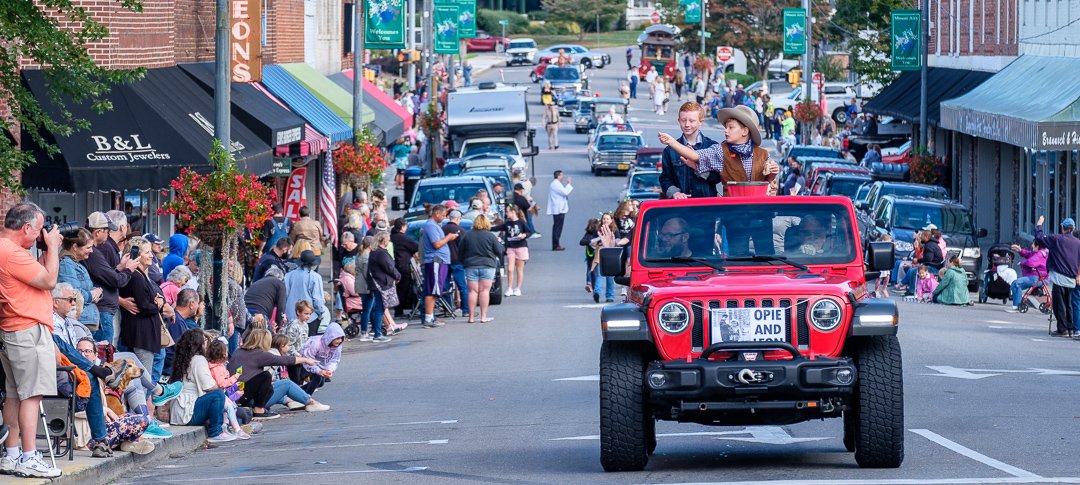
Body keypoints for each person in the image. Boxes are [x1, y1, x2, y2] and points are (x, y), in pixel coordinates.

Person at [658, 105, 780, 196]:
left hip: (760, 215)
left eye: (731, 127)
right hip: (733, 215)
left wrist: (773, 171)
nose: (725, 131)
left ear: (745, 131)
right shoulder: (720, 150)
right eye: (726, 127)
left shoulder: (763, 154)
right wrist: (672, 142)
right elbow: (694, 156)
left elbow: (769, 182)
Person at [231, 330, 327, 412]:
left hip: (237, 395)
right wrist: (305, 360)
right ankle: (311, 403)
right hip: (250, 400)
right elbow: (284, 360)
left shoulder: (238, 351)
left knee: (276, 382)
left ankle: (290, 401)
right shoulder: (259, 354)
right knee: (286, 384)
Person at [168, 329, 235, 442]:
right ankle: (215, 432)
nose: (206, 343)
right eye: (204, 340)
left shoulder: (184, 360)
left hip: (180, 412)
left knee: (241, 411)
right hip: (188, 412)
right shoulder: (199, 359)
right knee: (218, 395)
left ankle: (226, 426)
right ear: (198, 343)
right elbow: (209, 386)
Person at [82, 210, 136, 346]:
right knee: (105, 353)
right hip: (102, 311)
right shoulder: (95, 251)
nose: (108, 234)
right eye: (106, 231)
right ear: (98, 232)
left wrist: (119, 267)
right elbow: (115, 280)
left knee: (105, 352)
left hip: (101, 310)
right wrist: (128, 269)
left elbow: (105, 274)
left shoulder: (97, 250)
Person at [659, 102, 719, 199]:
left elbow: (718, 177)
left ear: (701, 121)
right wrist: (674, 193)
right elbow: (665, 178)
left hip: (706, 206)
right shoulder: (669, 150)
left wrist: (698, 167)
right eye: (683, 120)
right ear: (678, 120)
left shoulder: (712, 146)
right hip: (680, 206)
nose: (687, 124)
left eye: (692, 121)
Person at [1034, 216, 1080, 337]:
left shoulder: (1057, 239)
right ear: (1073, 228)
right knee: (1069, 303)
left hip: (1059, 276)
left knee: (1059, 304)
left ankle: (1062, 329)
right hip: (1072, 278)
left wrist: (1039, 225)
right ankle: (1070, 328)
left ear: (1062, 228)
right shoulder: (1078, 243)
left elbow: (1039, 238)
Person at [458, 215, 503, 323]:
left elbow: (460, 251)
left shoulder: (467, 235)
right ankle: (483, 317)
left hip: (471, 265)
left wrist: (464, 262)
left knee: (472, 291)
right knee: (484, 291)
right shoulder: (490, 236)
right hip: (487, 266)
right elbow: (499, 251)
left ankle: (471, 317)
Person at [58, 228, 103, 333]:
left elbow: (87, 289)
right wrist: (93, 294)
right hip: (81, 322)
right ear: (75, 247)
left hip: (87, 321)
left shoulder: (75, 263)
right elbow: (74, 294)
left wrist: (97, 292)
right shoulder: (66, 264)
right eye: (88, 247)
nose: (91, 251)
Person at [420, 205, 457, 328]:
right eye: (443, 215)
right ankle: (428, 318)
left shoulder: (435, 226)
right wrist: (449, 237)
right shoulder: (431, 225)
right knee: (432, 290)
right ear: (436, 213)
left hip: (439, 261)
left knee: (435, 290)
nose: (444, 217)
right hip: (436, 260)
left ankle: (431, 317)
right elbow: (436, 244)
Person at [204, 340, 249, 439]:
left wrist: (234, 387)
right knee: (230, 408)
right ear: (223, 353)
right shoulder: (217, 368)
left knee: (225, 411)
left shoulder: (213, 366)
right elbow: (221, 384)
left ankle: (225, 428)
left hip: (218, 394)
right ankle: (237, 429)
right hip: (218, 393)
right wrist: (235, 377)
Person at [284, 250, 327, 337]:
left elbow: (284, 296)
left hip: (291, 316)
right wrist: (321, 313)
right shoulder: (315, 277)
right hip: (310, 317)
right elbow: (317, 299)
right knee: (309, 346)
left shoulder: (288, 275)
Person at [366, 232, 400, 338]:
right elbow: (389, 267)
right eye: (388, 239)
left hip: (377, 283)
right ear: (384, 240)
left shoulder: (374, 252)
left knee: (379, 309)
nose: (388, 241)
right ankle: (378, 334)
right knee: (379, 309)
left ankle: (378, 332)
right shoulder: (381, 253)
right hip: (380, 284)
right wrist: (398, 276)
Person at [298, 322, 346, 395]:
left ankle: (297, 394)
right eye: (337, 338)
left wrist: (329, 369)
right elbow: (307, 358)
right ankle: (306, 398)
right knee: (318, 379)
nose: (340, 341)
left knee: (320, 383)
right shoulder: (316, 343)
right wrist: (318, 371)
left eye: (341, 338)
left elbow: (335, 359)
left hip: (319, 365)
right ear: (331, 337)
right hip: (303, 362)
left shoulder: (338, 346)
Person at [494, 206, 530, 297]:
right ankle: (509, 288)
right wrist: (487, 228)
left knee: (519, 269)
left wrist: (524, 235)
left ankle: (517, 288)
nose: (506, 213)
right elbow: (499, 228)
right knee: (510, 269)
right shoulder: (507, 223)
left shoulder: (522, 222)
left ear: (513, 212)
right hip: (511, 248)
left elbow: (529, 232)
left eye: (507, 211)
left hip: (521, 247)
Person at [389, 218, 419, 319]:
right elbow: (415, 246)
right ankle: (399, 310)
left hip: (395, 265)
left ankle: (399, 309)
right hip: (403, 265)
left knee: (399, 288)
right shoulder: (401, 238)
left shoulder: (392, 236)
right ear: (402, 227)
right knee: (403, 289)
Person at [245, 265, 288, 333]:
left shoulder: (258, 282)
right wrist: (278, 327)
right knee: (264, 340)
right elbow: (281, 308)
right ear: (281, 278)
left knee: (248, 340)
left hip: (246, 312)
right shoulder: (279, 283)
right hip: (260, 313)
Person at [1008, 241, 1049, 312]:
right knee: (1016, 284)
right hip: (1038, 277)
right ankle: (1017, 305)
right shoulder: (1041, 252)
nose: (1032, 245)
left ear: (1037, 246)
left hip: (1037, 278)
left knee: (1016, 283)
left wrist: (1022, 263)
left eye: (1033, 244)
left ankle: (1017, 305)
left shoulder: (1040, 254)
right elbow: (1029, 254)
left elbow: (1031, 262)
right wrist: (1020, 250)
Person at [442, 210, 468, 316]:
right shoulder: (461, 230)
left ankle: (448, 309)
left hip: (444, 261)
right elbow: (465, 246)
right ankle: (466, 310)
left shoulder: (442, 229)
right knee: (462, 286)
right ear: (458, 219)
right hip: (457, 261)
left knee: (444, 286)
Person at [547, 170, 574, 251]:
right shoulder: (555, 184)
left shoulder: (557, 184)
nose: (563, 177)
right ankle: (556, 245)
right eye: (562, 175)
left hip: (559, 208)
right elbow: (565, 192)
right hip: (558, 209)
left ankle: (556, 244)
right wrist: (569, 184)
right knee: (557, 227)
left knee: (557, 226)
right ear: (558, 176)